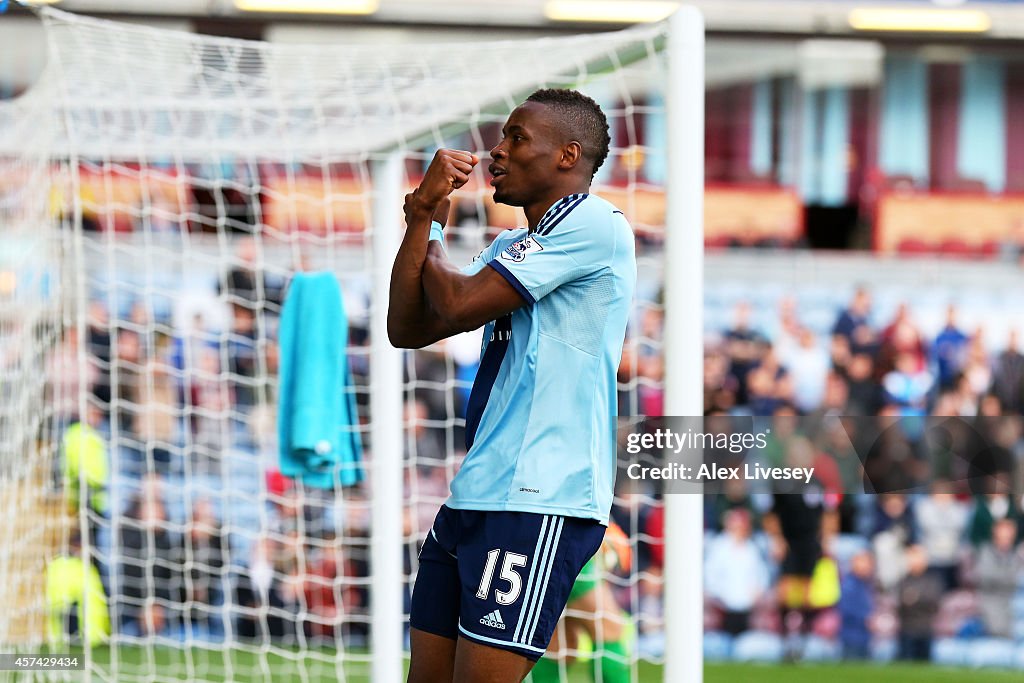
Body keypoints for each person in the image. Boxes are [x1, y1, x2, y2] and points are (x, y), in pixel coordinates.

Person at [389, 89, 636, 683]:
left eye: (517, 138)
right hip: (476, 492)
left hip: (540, 500)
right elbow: (409, 326)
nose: (497, 152)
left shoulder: (594, 224)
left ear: (567, 155)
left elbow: (458, 301)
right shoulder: (511, 246)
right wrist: (422, 221)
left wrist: (433, 226)